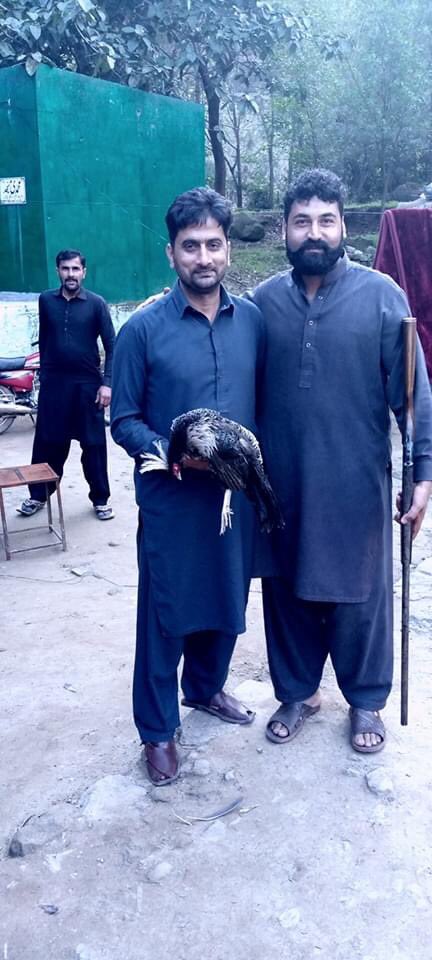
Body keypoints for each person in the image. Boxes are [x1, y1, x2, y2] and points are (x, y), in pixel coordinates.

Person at [252, 168, 432, 753]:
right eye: (301, 221)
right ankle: (298, 692)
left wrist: (423, 473)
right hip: (282, 484)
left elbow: (413, 398)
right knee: (287, 589)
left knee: (362, 597)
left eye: (326, 220)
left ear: (343, 228)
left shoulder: (383, 297)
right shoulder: (262, 304)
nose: (314, 232)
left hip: (357, 482)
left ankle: (366, 700)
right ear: (284, 228)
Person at [110, 188, 265, 785]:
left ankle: (204, 688)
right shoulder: (142, 331)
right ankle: (156, 729)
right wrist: (176, 456)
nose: (204, 257)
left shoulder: (251, 322)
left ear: (228, 249)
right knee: (166, 612)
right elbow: (124, 420)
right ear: (171, 252)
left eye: (214, 244)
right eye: (191, 246)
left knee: (227, 599)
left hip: (232, 500)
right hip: (171, 501)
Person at [18, 250, 115, 521]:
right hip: (55, 386)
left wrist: (107, 384)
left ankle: (100, 499)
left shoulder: (96, 304)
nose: (70, 274)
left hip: (87, 386)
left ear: (84, 272)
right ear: (58, 271)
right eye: (65, 269)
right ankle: (38, 495)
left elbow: (112, 345)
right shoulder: (46, 300)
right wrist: (44, 378)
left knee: (93, 445)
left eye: (75, 269)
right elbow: (45, 340)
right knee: (48, 442)